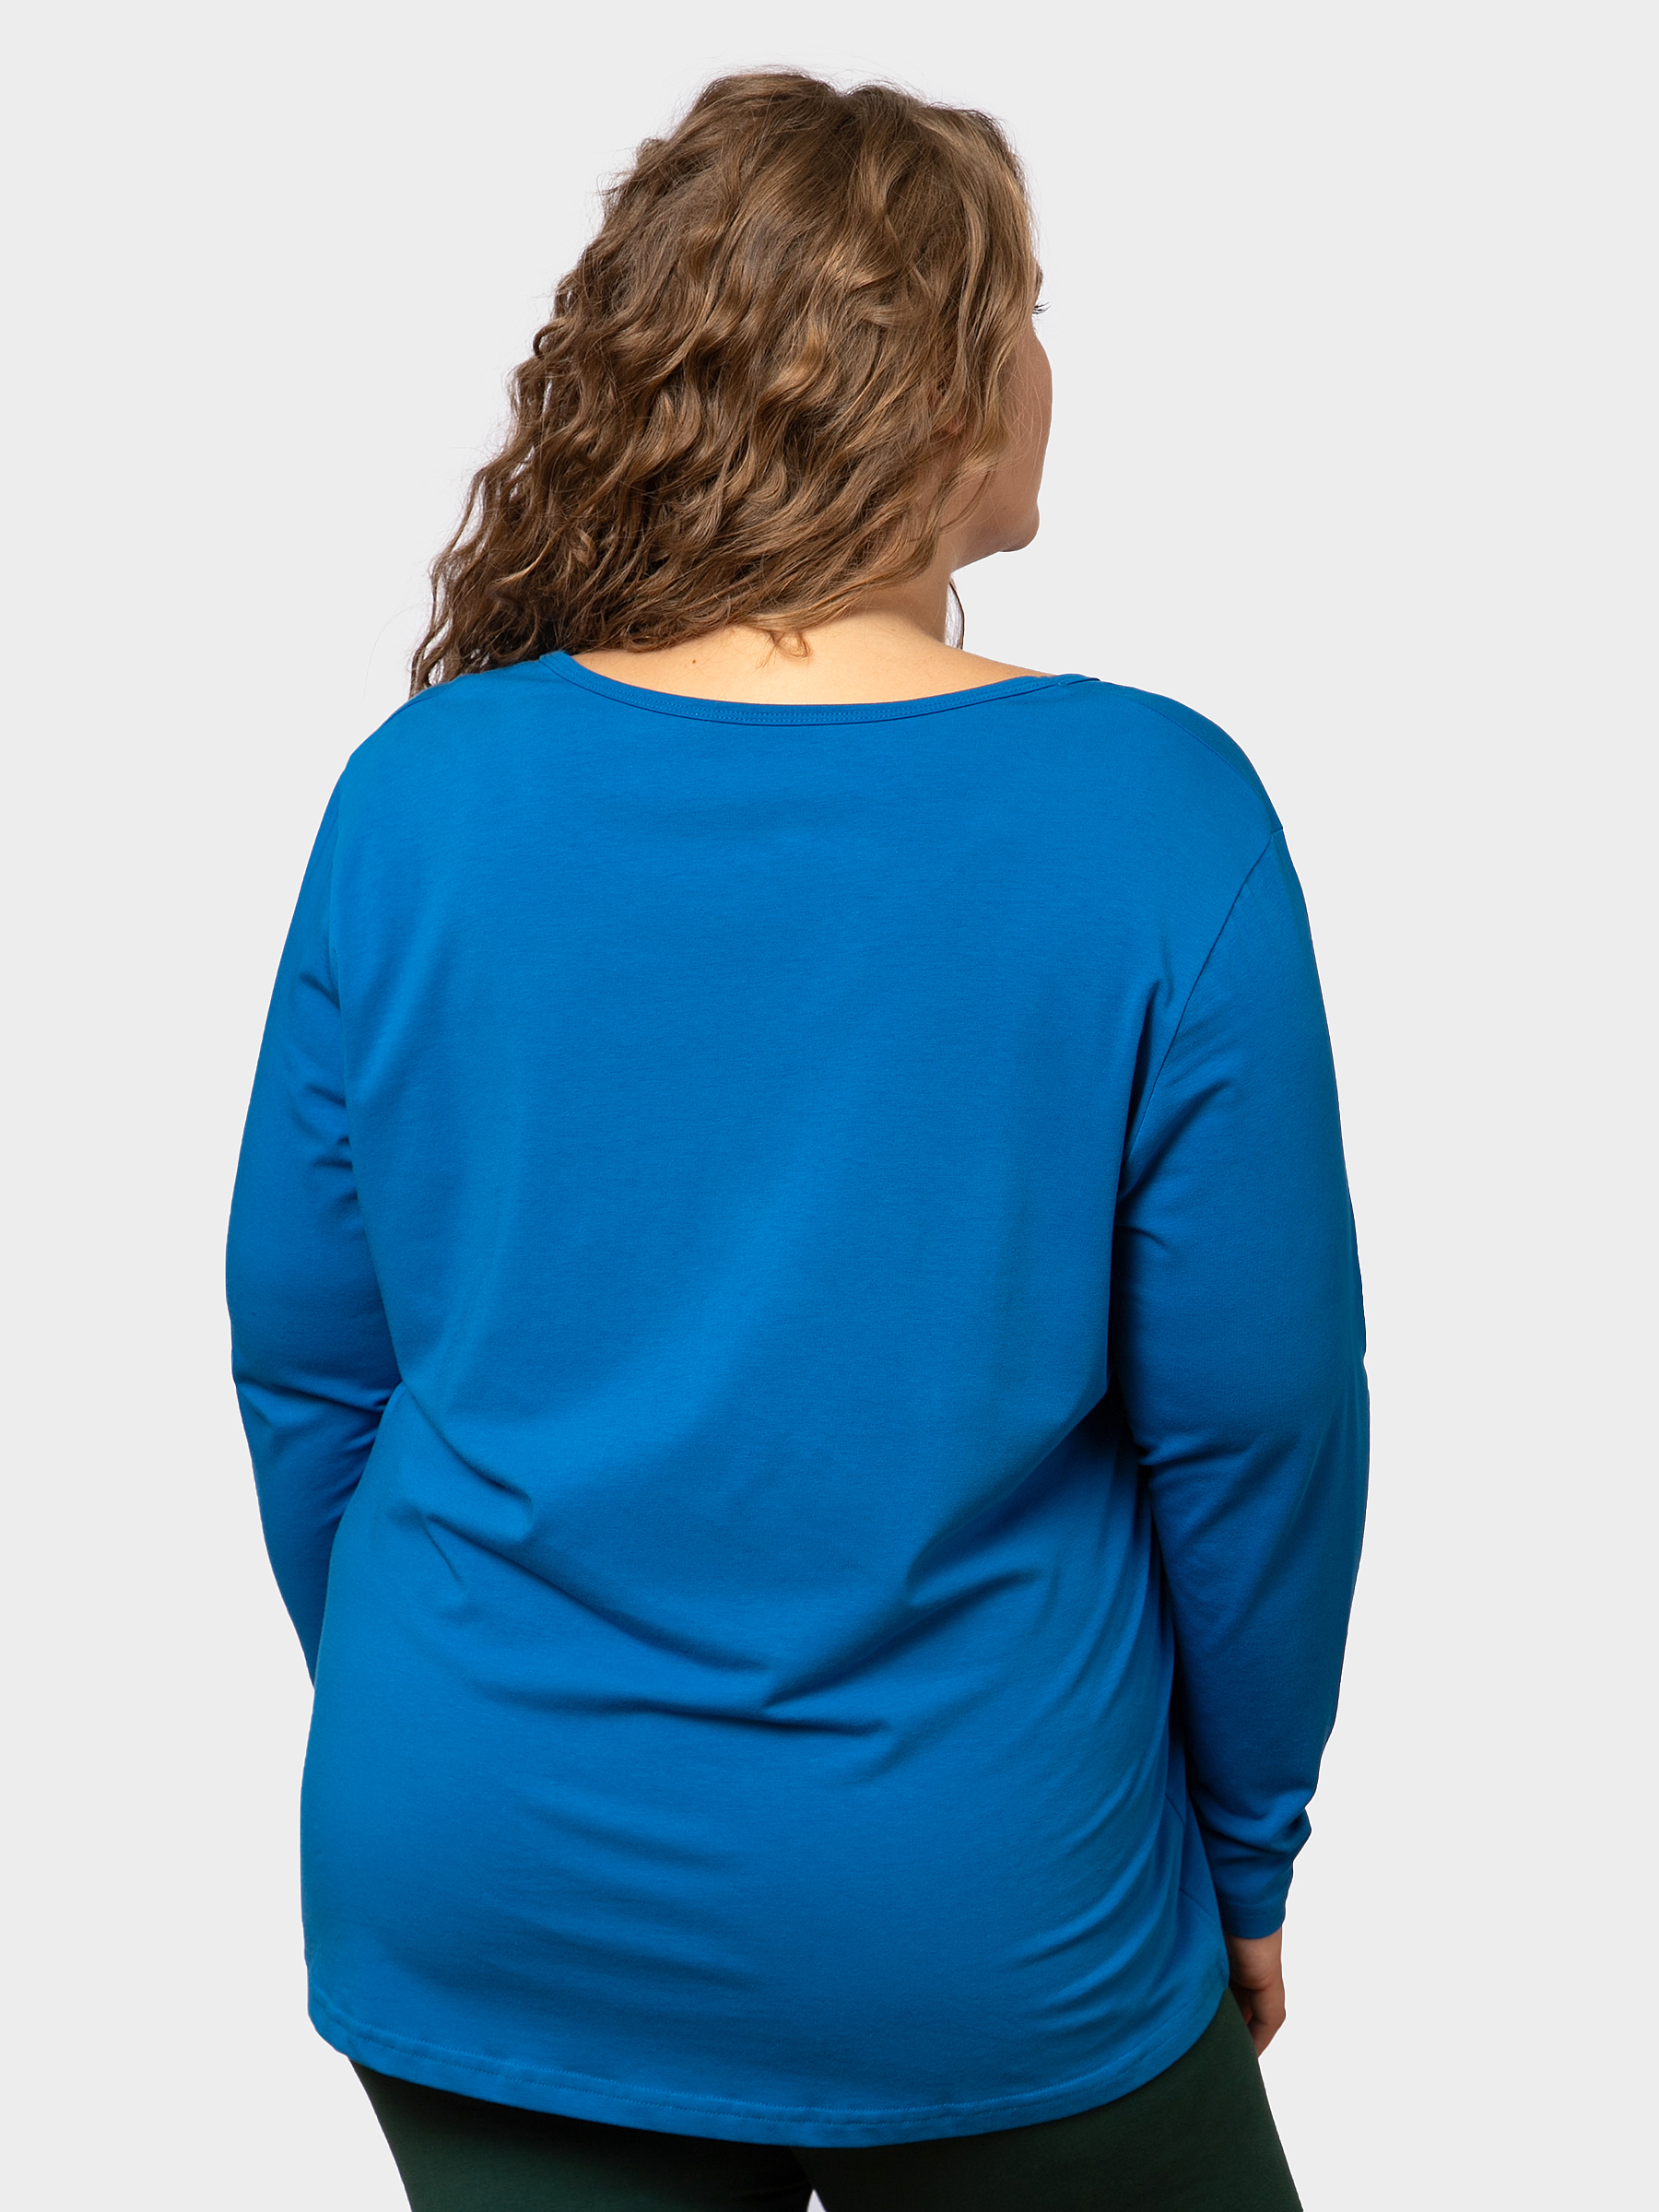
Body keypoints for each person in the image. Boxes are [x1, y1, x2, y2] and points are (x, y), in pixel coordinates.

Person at [227, 69, 1367, 2212]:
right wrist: (1247, 1849)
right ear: (934, 383)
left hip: (481, 1868)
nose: (1045, 367)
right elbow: (1256, 1429)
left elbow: (309, 1368)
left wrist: (461, 1721)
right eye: (1026, 311)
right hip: (989, 1907)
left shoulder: (422, 797)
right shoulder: (1152, 814)